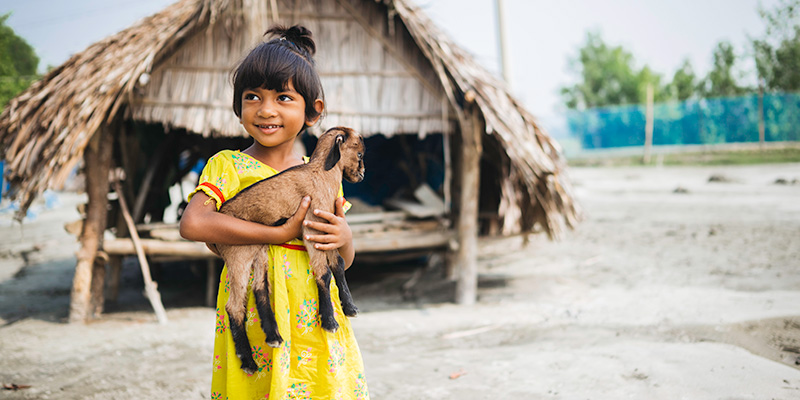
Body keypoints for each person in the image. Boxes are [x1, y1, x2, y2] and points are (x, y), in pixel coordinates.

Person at [179, 25, 369, 400]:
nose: (266, 110)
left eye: (283, 97)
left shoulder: (326, 176)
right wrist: (278, 235)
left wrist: (346, 239)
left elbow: (341, 259)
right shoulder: (228, 167)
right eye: (253, 97)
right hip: (256, 315)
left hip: (315, 315)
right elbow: (194, 223)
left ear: (313, 112)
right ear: (238, 107)